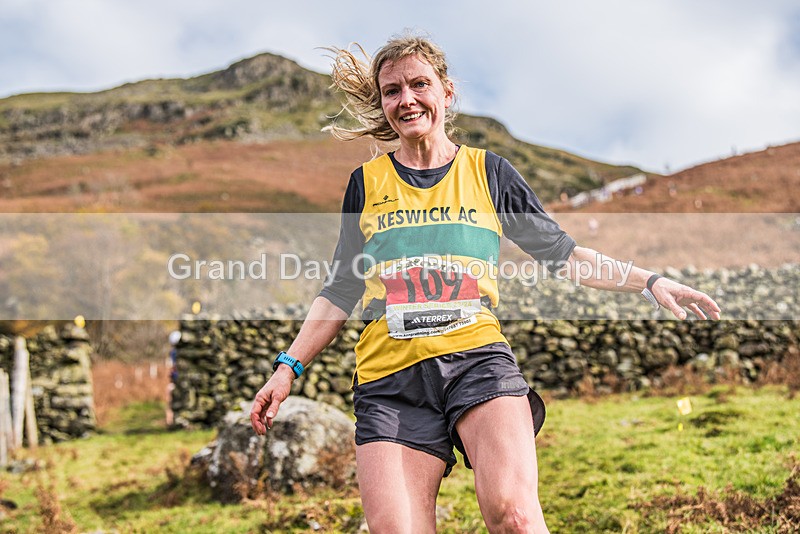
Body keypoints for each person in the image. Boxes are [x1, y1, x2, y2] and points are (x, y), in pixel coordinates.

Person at [250, 34, 721, 533]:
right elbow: (340, 290)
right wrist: (287, 369)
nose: (406, 100)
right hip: (390, 381)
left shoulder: (489, 172)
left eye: (419, 84)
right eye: (392, 91)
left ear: (446, 91)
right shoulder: (365, 184)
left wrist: (648, 281)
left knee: (515, 517)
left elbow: (564, 255)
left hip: (476, 362)